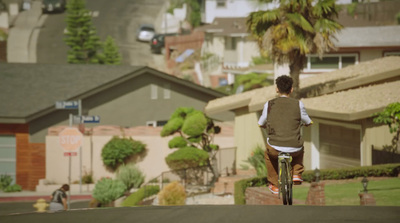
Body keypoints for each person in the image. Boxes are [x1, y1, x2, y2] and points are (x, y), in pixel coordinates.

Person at [258, 75, 312, 194]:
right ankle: (297, 173)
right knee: (300, 149)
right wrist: (308, 124)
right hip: (294, 147)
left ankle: (275, 184)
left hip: (275, 147)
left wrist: (263, 126)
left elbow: (261, 122)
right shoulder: (298, 104)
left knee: (268, 154)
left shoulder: (269, 104)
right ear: (291, 89)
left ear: (277, 89)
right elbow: (308, 121)